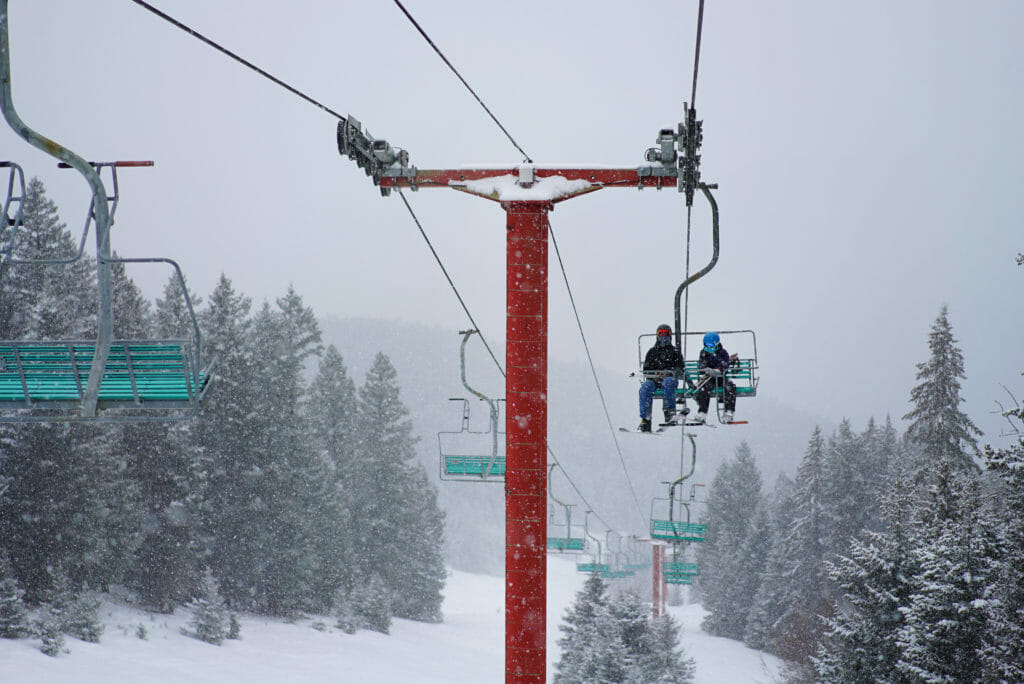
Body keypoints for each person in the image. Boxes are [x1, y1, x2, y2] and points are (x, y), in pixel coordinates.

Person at [638, 324, 688, 432]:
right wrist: (654, 375)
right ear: (657, 336)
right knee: (645, 387)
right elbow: (646, 370)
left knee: (668, 382)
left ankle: (669, 413)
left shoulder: (675, 352)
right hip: (655, 381)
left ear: (670, 336)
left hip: (669, 380)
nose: (663, 337)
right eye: (661, 334)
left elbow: (680, 368)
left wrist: (670, 373)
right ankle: (645, 420)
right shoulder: (652, 352)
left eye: (666, 334)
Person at [694, 331, 737, 424]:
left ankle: (729, 411)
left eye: (711, 345)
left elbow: (725, 364)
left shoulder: (723, 352)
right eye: (706, 345)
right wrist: (706, 369)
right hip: (710, 378)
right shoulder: (703, 353)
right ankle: (702, 412)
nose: (708, 347)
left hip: (721, 377)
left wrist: (719, 370)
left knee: (730, 386)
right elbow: (700, 365)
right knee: (705, 388)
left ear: (716, 344)